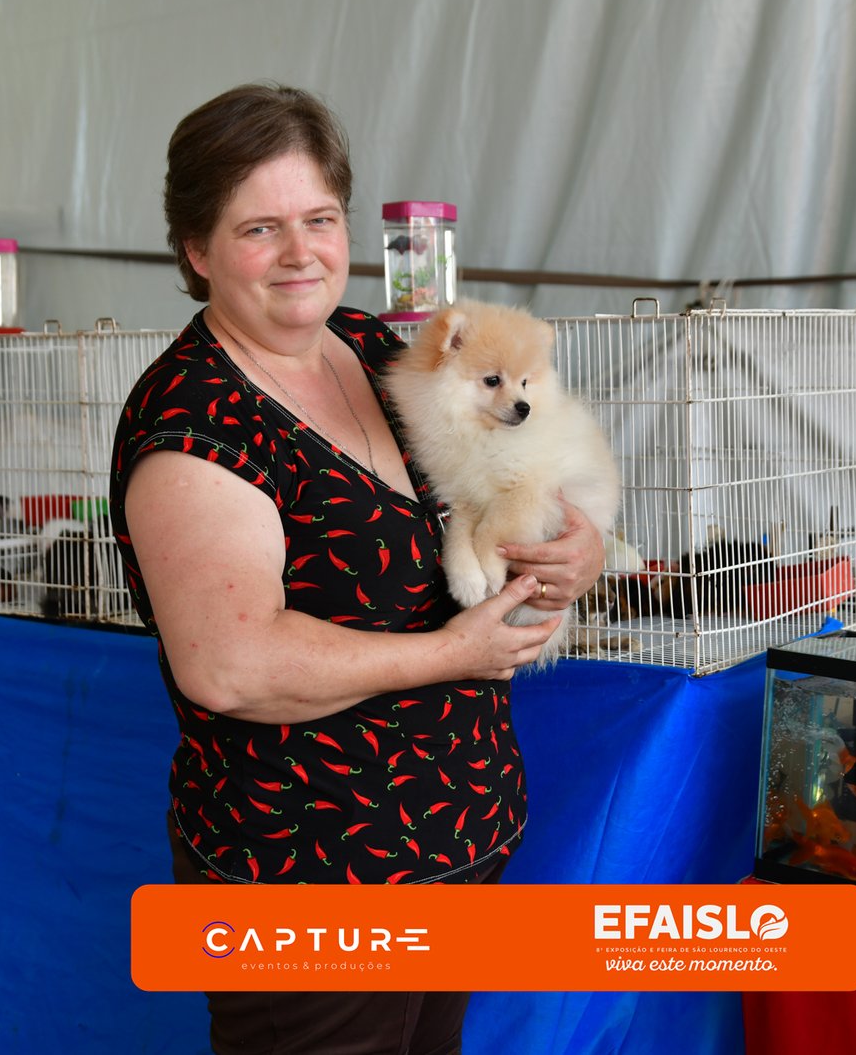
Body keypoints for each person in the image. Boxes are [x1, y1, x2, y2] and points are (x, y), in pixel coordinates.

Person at [108, 83, 605, 1054]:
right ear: (196, 249)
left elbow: (512, 471)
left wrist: (572, 544)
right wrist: (452, 653)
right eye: (260, 228)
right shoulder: (194, 421)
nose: (301, 252)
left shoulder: (380, 350)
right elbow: (230, 666)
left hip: (453, 850)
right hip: (312, 883)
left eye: (320, 218)